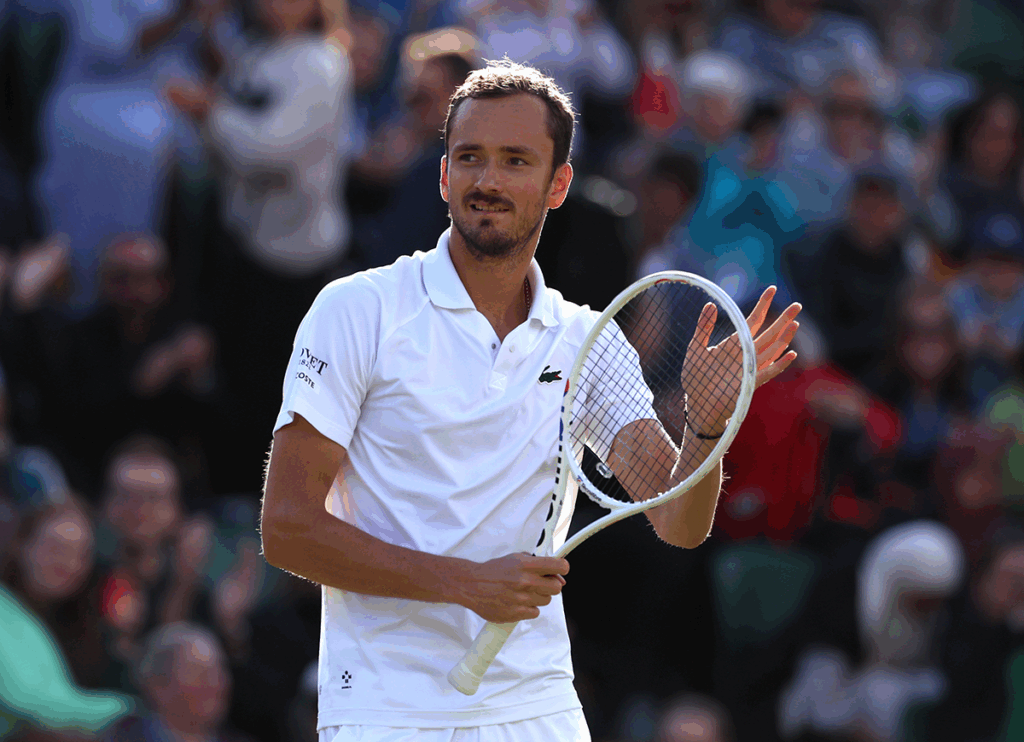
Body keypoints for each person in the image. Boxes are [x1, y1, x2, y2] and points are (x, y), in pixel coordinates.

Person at [260, 60, 802, 740]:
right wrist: (465, 582)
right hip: (385, 709)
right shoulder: (355, 310)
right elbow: (287, 529)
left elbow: (677, 522)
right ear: (443, 175)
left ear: (559, 184)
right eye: (470, 158)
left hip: (538, 709)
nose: (487, 181)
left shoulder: (588, 339)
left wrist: (706, 426)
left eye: (515, 161)